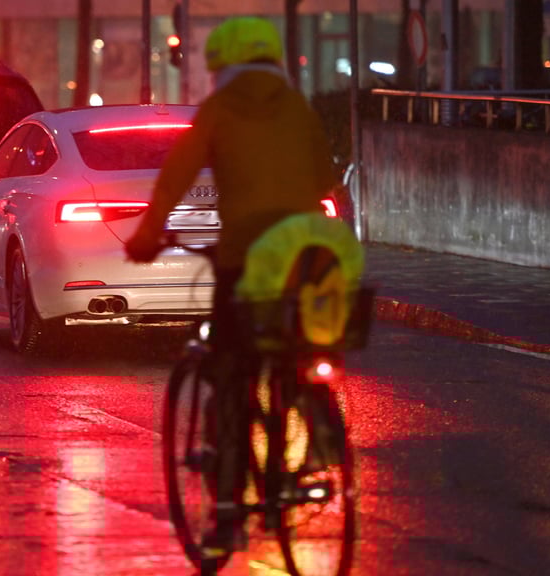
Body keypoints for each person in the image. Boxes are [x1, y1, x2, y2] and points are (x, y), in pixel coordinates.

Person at [124, 16, 339, 558]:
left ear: (223, 67)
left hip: (245, 261)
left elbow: (177, 174)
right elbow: (323, 179)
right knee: (297, 345)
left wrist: (148, 236)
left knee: (228, 370)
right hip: (309, 255)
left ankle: (226, 518)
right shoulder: (298, 107)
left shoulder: (219, 111)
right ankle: (315, 429)